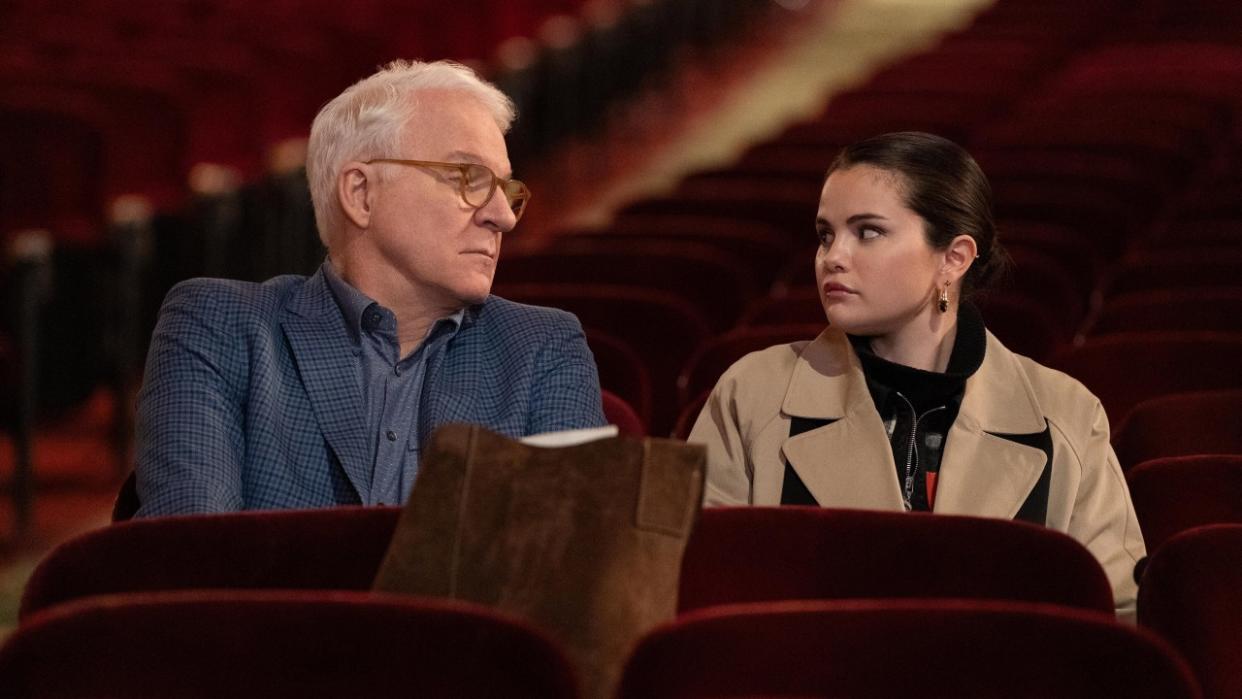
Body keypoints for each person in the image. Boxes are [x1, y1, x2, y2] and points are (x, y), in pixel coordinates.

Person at [687, 132, 1145, 617]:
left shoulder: (1066, 415)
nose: (832, 257)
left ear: (954, 258)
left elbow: (1116, 617)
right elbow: (695, 593)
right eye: (826, 234)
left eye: (867, 232)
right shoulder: (752, 393)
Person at [133, 59, 606, 516]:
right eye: (470, 178)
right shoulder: (219, 327)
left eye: (506, 189)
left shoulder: (543, 349)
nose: (502, 216)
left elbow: (560, 575)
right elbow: (191, 564)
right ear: (361, 193)